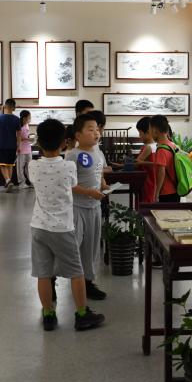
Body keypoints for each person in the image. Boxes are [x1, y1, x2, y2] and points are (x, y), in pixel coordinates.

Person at [29, 119, 106, 332]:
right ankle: (82, 314)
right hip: (62, 227)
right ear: (64, 142)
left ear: (38, 142)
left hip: (38, 226)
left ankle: (48, 314)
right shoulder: (68, 166)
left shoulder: (32, 166)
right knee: (76, 272)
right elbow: (73, 185)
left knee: (43, 273)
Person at [67, 113, 109, 302]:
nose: (96, 133)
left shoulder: (99, 153)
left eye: (97, 129)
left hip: (95, 207)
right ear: (78, 135)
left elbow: (99, 174)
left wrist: (104, 185)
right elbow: (68, 184)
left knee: (92, 246)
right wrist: (88, 192)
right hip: (77, 208)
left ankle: (88, 282)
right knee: (76, 246)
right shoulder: (72, 155)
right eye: (90, 130)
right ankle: (74, 280)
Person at [0, 98, 22, 193]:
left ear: (5, 106)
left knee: (2, 164)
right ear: (13, 108)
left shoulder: (0, 118)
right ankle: (9, 181)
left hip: (2, 145)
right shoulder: (17, 119)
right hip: (13, 145)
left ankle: (8, 180)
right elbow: (19, 134)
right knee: (10, 164)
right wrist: (19, 146)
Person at [151, 114, 180, 203]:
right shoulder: (173, 145)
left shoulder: (161, 150)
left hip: (166, 192)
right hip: (176, 189)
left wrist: (157, 193)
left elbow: (161, 173)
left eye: (150, 129)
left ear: (155, 130)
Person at [133, 116, 157, 204]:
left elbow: (136, 163)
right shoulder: (157, 145)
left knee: (144, 204)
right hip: (154, 180)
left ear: (148, 132)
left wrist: (122, 165)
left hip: (146, 182)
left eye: (140, 133)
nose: (139, 136)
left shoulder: (147, 147)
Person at [15, 110, 34, 189]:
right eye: (28, 117)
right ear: (24, 117)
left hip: (28, 148)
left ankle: (31, 182)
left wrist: (29, 138)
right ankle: (22, 183)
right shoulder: (18, 126)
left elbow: (26, 135)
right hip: (21, 148)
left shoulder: (27, 125)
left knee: (29, 167)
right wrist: (27, 139)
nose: (29, 118)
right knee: (20, 167)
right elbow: (18, 138)